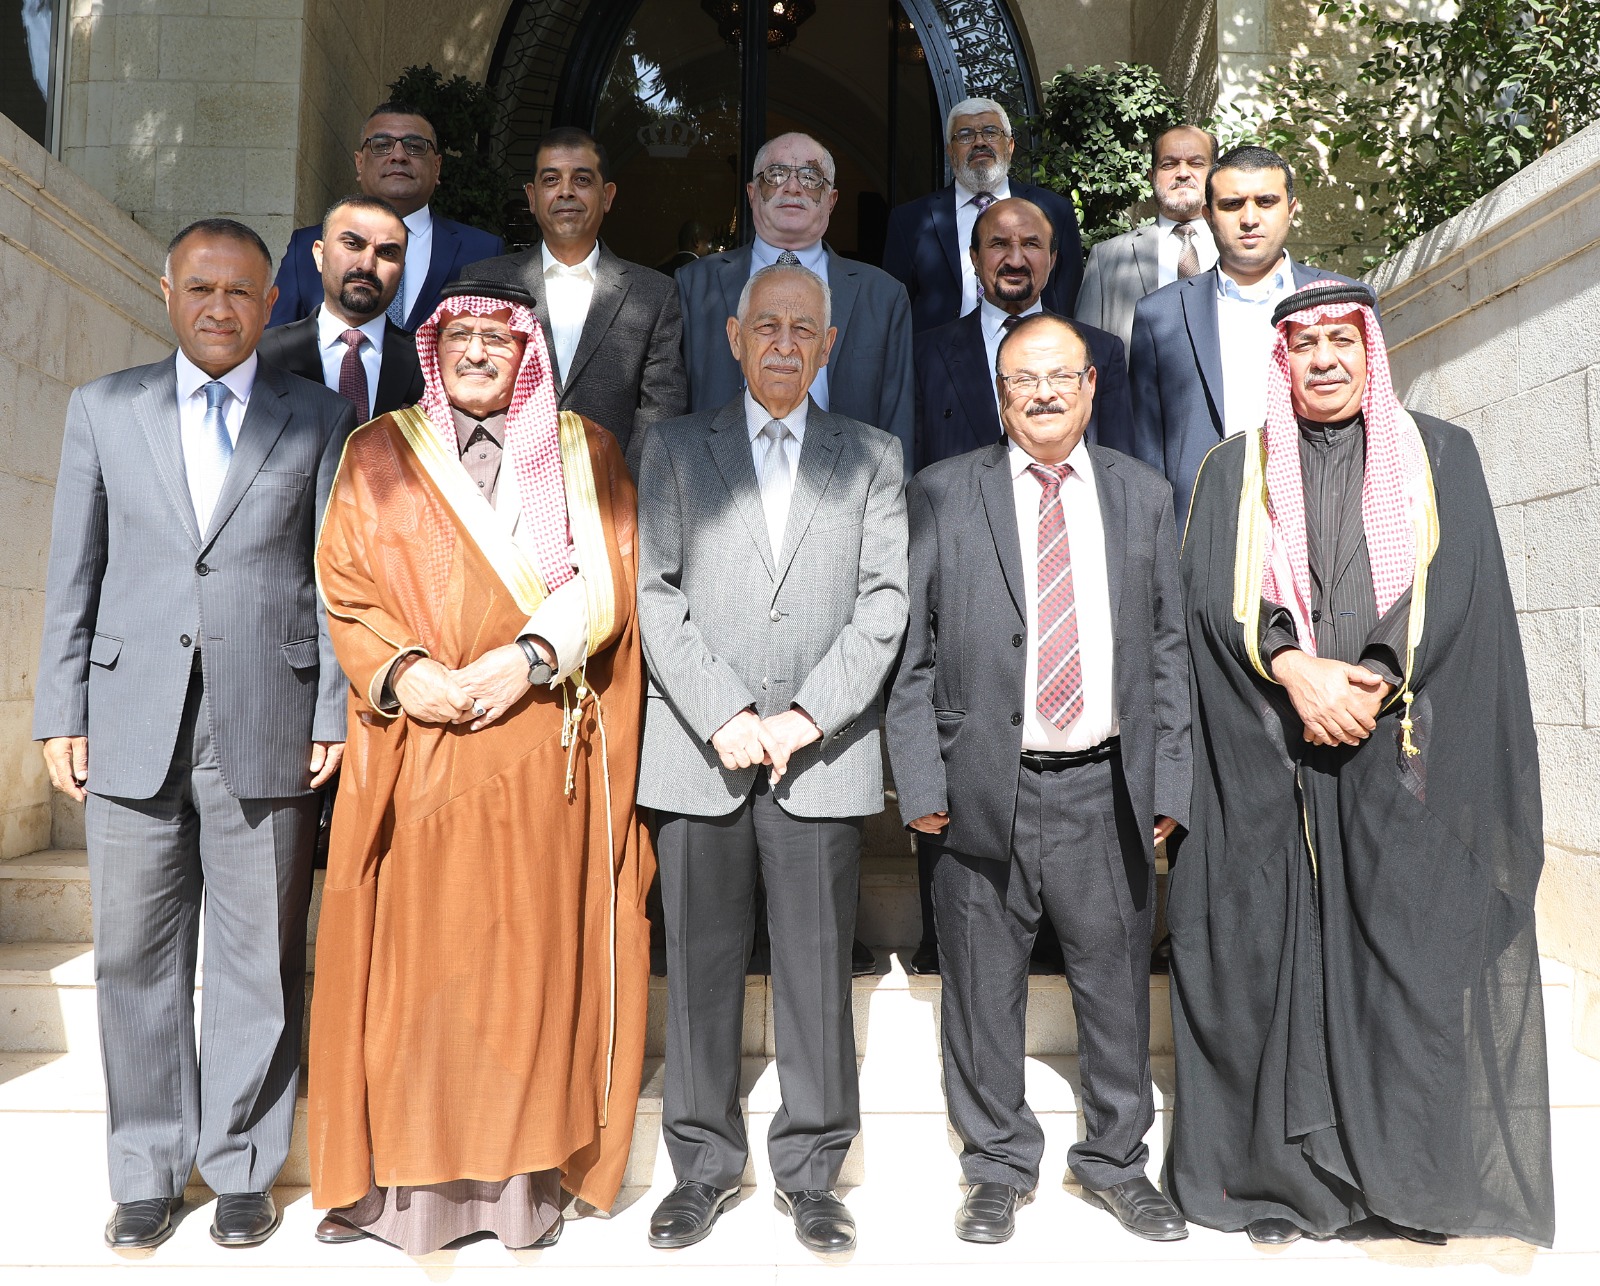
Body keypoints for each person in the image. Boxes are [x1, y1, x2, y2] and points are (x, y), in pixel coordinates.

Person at [1167, 280, 1555, 1249]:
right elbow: (1210, 594)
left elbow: (1455, 583)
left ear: (1370, 350)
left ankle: (1406, 1183)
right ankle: (1281, 1185)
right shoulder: (1234, 468)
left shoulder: (1440, 455)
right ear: (1281, 361)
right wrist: (1295, 669)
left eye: (1342, 340)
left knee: (1403, 976)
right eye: (1305, 345)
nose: (1326, 360)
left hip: (1397, 769)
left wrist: (1371, 678)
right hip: (1274, 765)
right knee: (1274, 972)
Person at [307, 280, 653, 1254]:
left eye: (496, 340)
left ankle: (514, 1194)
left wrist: (529, 658)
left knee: (522, 973)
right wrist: (403, 672)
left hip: (537, 747)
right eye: (457, 335)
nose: (475, 352)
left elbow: (612, 577)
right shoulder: (377, 450)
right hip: (419, 745)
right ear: (432, 347)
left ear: (527, 354)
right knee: (416, 974)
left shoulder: (586, 451)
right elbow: (344, 584)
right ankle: (398, 1196)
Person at [32, 219, 356, 1251]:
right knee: (134, 955)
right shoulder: (104, 407)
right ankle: (146, 1171)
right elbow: (74, 570)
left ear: (273, 302)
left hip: (268, 715)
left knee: (259, 954)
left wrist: (332, 706)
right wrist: (60, 708)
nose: (221, 307)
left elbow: (335, 575)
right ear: (167, 292)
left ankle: (244, 1165)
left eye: (241, 291)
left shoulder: (320, 415)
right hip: (131, 717)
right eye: (202, 288)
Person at [887, 314, 1189, 1246]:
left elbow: (1170, 650)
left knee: (1114, 985)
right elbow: (910, 655)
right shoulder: (942, 492)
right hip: (982, 787)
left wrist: (1170, 783)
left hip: (1107, 788)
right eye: (1024, 380)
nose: (1045, 393)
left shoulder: (1143, 494)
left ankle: (1116, 1163)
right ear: (1000, 395)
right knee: (981, 989)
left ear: (1092, 387)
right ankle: (995, 1166)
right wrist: (920, 780)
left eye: (1061, 376)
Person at [636, 263, 908, 1254]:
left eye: (804, 329)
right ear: (734, 337)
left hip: (817, 758)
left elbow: (884, 603)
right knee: (699, 971)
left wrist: (804, 717)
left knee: (815, 971)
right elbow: (655, 593)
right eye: (767, 326)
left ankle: (813, 1172)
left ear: (829, 345)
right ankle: (701, 1169)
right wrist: (724, 713)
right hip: (699, 753)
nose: (785, 343)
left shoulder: (871, 455)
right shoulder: (674, 448)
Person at [1128, 145, 1367, 528]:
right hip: (1205, 529)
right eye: (1232, 204)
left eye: (1266, 202)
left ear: (1291, 209)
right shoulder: (1161, 315)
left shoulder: (1346, 301)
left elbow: (1376, 417)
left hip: (1327, 517)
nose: (1250, 218)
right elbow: (1146, 453)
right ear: (1208, 215)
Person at [677, 132, 914, 477]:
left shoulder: (883, 296)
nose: (792, 187)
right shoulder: (693, 284)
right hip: (715, 488)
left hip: (844, 492)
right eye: (776, 174)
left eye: (810, 177)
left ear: (831, 200)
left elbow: (899, 423)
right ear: (752, 193)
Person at [466, 126, 687, 476]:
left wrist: (621, 492)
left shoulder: (654, 294)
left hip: (608, 496)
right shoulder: (483, 282)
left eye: (582, 180)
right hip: (499, 490)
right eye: (551, 180)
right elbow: (463, 392)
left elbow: (661, 409)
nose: (566, 191)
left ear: (607, 196)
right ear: (532, 197)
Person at [913, 197, 1133, 475]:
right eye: (999, 244)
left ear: (1052, 259)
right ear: (975, 258)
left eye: (1031, 244)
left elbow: (1119, 472)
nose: (1015, 260)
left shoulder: (1102, 351)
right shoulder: (924, 355)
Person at [268, 101, 503, 330]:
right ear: (359, 163)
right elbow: (277, 342)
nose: (398, 156)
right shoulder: (306, 246)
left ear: (437, 167)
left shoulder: (482, 251)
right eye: (382, 145)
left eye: (415, 146)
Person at [883, 97, 1083, 333]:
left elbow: (1067, 299)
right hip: (941, 353)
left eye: (990, 132)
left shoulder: (1055, 210)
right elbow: (894, 310)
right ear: (950, 152)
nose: (979, 142)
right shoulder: (909, 220)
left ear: (1010, 146)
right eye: (965, 135)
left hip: (1033, 348)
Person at [257, 195, 424, 418]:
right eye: (353, 245)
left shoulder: (427, 363)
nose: (367, 265)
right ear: (320, 255)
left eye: (386, 253)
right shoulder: (261, 354)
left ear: (402, 268)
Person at [1076, 125, 1218, 358]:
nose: (1183, 173)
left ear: (1215, 175)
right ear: (1152, 176)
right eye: (1169, 164)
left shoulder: (1239, 251)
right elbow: (1086, 353)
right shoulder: (1107, 258)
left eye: (1196, 163)